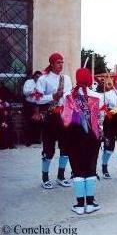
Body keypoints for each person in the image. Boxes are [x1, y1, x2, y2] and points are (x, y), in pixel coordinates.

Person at [61, 68, 103, 215]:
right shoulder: (98, 96)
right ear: (90, 80)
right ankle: (90, 203)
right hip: (92, 138)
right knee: (91, 168)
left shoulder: (67, 96)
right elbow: (100, 119)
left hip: (73, 138)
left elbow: (64, 119)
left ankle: (79, 205)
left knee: (77, 170)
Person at [35, 53, 72, 189]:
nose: (61, 65)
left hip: (64, 117)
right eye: (58, 62)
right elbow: (37, 99)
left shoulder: (66, 79)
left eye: (62, 62)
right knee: (49, 149)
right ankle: (45, 177)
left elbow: (69, 97)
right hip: (50, 117)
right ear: (51, 64)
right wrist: (52, 96)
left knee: (65, 147)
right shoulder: (43, 79)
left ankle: (61, 176)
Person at [23, 71, 43, 146]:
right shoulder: (28, 82)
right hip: (29, 104)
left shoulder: (42, 83)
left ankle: (36, 139)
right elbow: (25, 92)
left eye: (40, 77)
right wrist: (34, 90)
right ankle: (28, 141)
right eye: (37, 76)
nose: (38, 78)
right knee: (29, 122)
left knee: (38, 122)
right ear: (34, 76)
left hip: (38, 104)